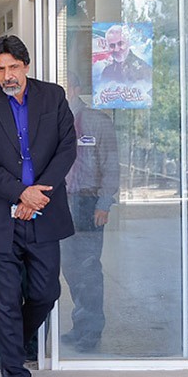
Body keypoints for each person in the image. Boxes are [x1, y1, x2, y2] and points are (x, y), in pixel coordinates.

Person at [0, 35, 77, 377]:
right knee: (4, 301)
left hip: (44, 210)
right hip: (0, 217)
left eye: (13, 67)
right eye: (0, 69)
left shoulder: (52, 97)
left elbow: (67, 147)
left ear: (26, 66)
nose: (7, 76)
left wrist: (38, 194)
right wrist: (20, 193)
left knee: (47, 292)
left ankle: (16, 342)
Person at [61, 72, 120, 353]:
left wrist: (104, 203)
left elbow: (111, 165)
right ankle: (80, 324)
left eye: (64, 87)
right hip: (61, 202)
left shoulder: (97, 122)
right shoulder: (54, 122)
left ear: (75, 88)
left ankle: (91, 331)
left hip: (88, 202)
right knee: (70, 268)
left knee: (88, 268)